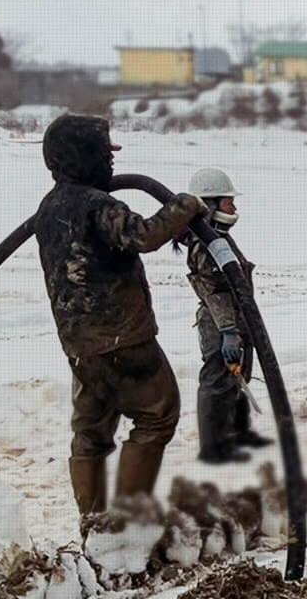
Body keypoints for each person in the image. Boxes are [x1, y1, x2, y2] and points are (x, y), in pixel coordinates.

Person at [35, 114, 204, 515]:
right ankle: (127, 526)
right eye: (105, 151)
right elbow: (142, 235)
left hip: (80, 348)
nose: (112, 159)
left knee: (90, 433)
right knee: (157, 415)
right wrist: (185, 206)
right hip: (124, 340)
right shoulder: (98, 205)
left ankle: (93, 523)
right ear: (87, 155)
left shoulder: (48, 209)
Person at [180, 167, 270, 464]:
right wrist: (228, 330)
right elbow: (213, 289)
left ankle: (238, 431)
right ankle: (213, 445)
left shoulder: (220, 239)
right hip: (220, 322)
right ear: (212, 204)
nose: (234, 207)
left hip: (238, 320)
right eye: (230, 201)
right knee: (218, 380)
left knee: (240, 376)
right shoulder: (205, 245)